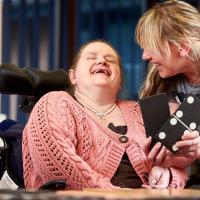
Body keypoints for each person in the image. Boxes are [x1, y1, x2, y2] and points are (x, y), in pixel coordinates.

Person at [22, 40, 187, 190]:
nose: (102, 61)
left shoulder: (146, 110)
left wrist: (168, 177)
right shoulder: (54, 102)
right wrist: (113, 193)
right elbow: (56, 164)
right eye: (91, 57)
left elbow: (178, 163)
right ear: (73, 76)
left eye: (111, 60)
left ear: (120, 80)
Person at [135, 0, 200, 186]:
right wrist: (166, 166)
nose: (145, 56)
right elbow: (175, 155)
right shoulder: (160, 82)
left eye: (152, 47)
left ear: (183, 47)